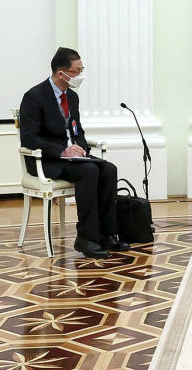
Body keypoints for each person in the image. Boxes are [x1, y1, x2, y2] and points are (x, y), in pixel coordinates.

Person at [19, 47, 129, 259]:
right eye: (77, 71)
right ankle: (86, 238)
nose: (80, 75)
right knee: (89, 171)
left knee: (108, 169)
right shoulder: (34, 97)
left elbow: (77, 129)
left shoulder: (72, 97)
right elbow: (29, 139)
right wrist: (63, 150)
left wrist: (80, 147)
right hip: (45, 159)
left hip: (72, 157)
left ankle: (107, 234)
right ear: (62, 73)